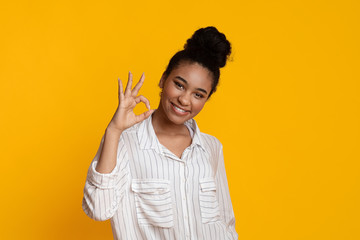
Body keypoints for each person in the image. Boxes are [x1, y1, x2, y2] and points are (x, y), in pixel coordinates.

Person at [82, 26, 238, 240]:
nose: (185, 100)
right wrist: (114, 129)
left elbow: (226, 222)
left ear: (206, 99)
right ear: (163, 79)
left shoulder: (211, 147)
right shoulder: (125, 141)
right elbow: (98, 210)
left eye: (198, 95)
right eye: (179, 85)